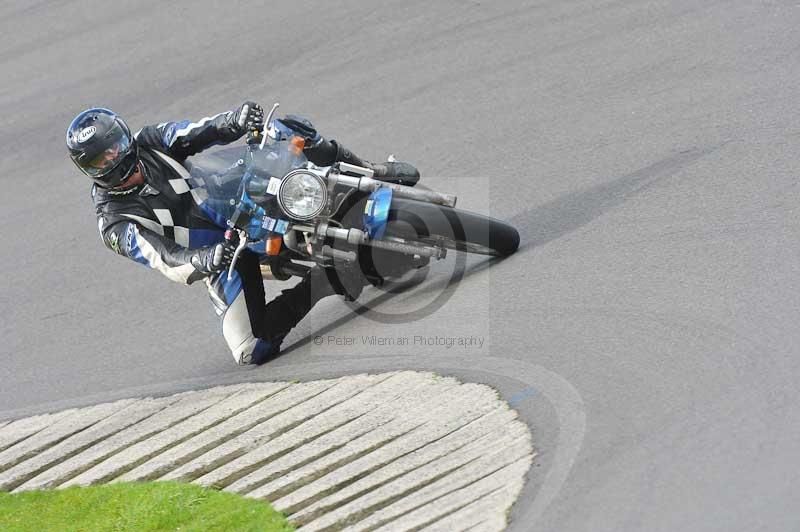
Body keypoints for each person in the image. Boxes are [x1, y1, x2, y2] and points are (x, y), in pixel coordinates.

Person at [66, 102, 419, 365]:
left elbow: (196, 131)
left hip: (230, 192)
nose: (111, 160)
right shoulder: (113, 221)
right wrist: (204, 259)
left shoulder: (150, 141)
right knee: (251, 349)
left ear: (125, 139)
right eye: (98, 161)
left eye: (113, 148)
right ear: (88, 170)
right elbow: (163, 258)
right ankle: (326, 279)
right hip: (219, 252)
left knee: (290, 129)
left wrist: (233, 120)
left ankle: (370, 171)